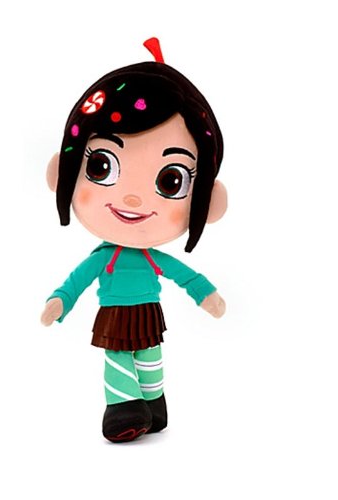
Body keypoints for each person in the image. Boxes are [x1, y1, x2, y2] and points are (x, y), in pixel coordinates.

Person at [41, 38, 228, 443]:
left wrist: (205, 293)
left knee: (150, 357)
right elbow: (76, 282)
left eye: (171, 180)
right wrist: (61, 300)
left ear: (207, 202)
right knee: (118, 358)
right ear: (63, 173)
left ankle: (154, 403)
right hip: (115, 313)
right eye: (101, 166)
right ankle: (123, 409)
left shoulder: (152, 258)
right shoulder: (102, 257)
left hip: (146, 311)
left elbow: (185, 276)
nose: (131, 199)